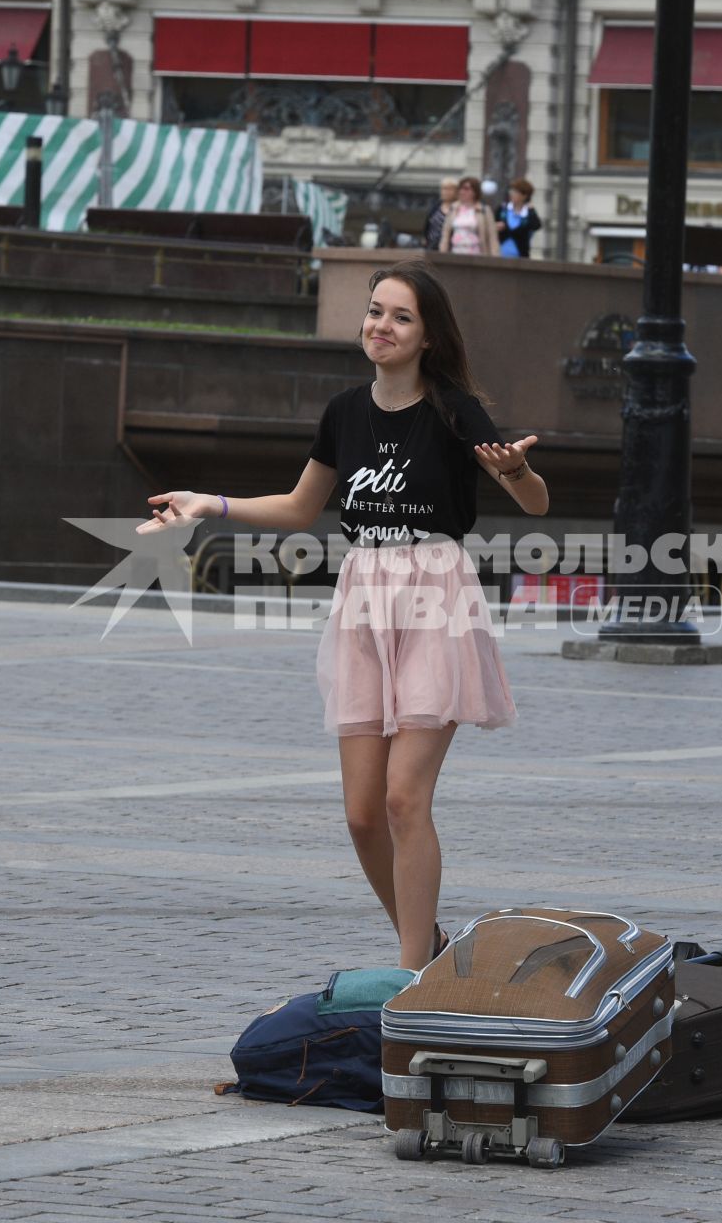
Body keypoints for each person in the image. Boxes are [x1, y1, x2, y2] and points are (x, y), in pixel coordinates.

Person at [138, 261, 548, 970]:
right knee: (362, 815)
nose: (381, 326)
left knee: (402, 799)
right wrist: (209, 504)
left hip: (433, 593)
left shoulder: (454, 411)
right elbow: (300, 508)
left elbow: (534, 502)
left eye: (400, 317)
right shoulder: (344, 413)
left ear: (427, 337)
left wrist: (514, 468)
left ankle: (411, 972)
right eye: (375, 311)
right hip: (364, 595)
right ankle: (436, 948)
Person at [439, 177, 498, 257]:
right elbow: (446, 234)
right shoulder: (454, 208)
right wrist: (442, 254)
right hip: (455, 252)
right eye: (461, 189)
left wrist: (495, 257)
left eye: (466, 189)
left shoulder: (484, 210)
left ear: (475, 192)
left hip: (476, 254)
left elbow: (492, 237)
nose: (462, 192)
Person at [497, 178, 542, 259]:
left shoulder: (528, 212)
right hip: (499, 254)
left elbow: (536, 226)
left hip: (520, 256)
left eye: (515, 192)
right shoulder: (503, 209)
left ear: (524, 195)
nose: (511, 194)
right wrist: (496, 226)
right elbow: (491, 224)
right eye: (511, 191)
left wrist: (531, 210)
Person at [423, 178, 457, 252]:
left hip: (451, 249)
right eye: (444, 189)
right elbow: (428, 225)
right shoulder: (435, 207)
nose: (446, 192)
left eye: (450, 189)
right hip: (431, 247)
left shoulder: (458, 208)